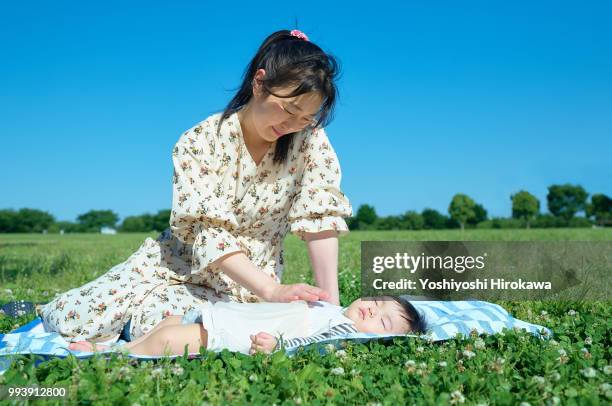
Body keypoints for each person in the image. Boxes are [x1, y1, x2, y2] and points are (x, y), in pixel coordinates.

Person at [37, 29, 353, 342]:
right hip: (173, 262)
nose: (292, 125)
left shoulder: (310, 140)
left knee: (183, 326)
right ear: (259, 83)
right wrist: (272, 291)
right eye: (289, 110)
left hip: (246, 283)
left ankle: (141, 322)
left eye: (306, 118)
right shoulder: (199, 141)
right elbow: (209, 232)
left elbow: (319, 217)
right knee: (71, 319)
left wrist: (332, 309)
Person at [68, 296, 428, 356]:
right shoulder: (334, 309)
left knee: (171, 339)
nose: (371, 310)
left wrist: (279, 348)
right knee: (168, 324)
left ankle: (112, 356)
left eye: (382, 321)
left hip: (231, 333)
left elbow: (310, 345)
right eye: (376, 303)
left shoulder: (339, 334)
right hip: (224, 312)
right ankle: (111, 347)